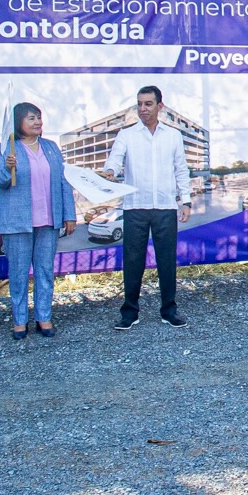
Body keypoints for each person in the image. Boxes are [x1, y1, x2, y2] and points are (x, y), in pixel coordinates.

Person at [103, 84, 192, 329]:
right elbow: (115, 159)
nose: (143, 109)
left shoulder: (173, 135)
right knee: (133, 261)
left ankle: (169, 310)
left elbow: (181, 170)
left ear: (159, 106)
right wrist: (110, 171)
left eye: (148, 104)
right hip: (135, 208)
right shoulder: (127, 135)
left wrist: (186, 201)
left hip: (165, 207)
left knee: (166, 261)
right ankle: (130, 312)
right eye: (140, 104)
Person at [0, 102, 78, 340]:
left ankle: (44, 317)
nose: (37, 122)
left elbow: (63, 182)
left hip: (48, 220)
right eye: (31, 118)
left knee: (45, 270)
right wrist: (7, 169)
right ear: (18, 123)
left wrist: (69, 214)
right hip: (17, 221)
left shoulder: (51, 147)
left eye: (38, 117)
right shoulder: (5, 149)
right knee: (18, 272)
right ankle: (19, 320)